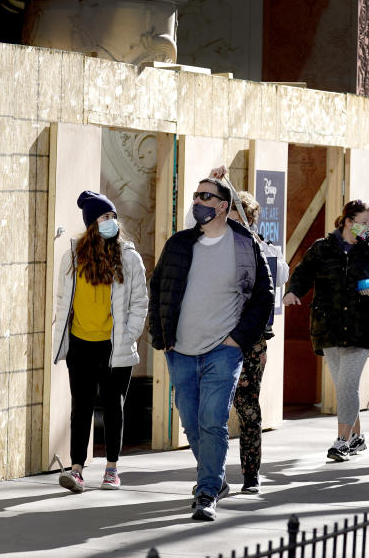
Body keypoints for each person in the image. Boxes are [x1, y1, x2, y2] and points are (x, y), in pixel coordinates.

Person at [149, 178, 273, 522]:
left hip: (224, 350)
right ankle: (215, 479)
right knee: (190, 422)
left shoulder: (245, 245)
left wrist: (238, 340)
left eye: (206, 196)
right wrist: (161, 337)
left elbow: (264, 295)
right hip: (181, 350)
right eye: (195, 195)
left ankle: (206, 492)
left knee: (213, 420)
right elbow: (158, 287)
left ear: (222, 205)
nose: (197, 201)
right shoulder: (179, 244)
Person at [283, 199, 369, 462]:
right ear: (348, 221)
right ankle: (357, 438)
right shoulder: (321, 249)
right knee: (344, 387)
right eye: (363, 223)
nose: (368, 228)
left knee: (347, 385)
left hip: (361, 328)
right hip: (328, 328)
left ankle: (342, 442)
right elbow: (302, 275)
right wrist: (292, 293)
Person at [52, 191, 148, 493]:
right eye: (105, 217)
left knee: (112, 407)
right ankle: (77, 469)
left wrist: (129, 335)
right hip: (80, 343)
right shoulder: (73, 256)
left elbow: (140, 302)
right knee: (80, 408)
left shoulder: (129, 258)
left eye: (113, 217)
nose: (112, 222)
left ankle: (111, 469)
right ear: (93, 223)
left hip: (113, 345)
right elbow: (61, 300)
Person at [229, 189, 290, 493]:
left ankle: (251, 474)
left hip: (250, 340)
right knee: (214, 409)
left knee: (247, 405)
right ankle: (214, 476)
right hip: (217, 338)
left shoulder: (266, 249)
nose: (229, 218)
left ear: (248, 218)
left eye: (236, 213)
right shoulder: (212, 245)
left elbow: (280, 278)